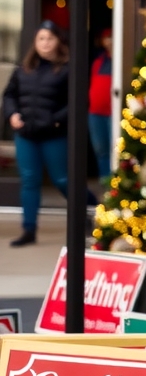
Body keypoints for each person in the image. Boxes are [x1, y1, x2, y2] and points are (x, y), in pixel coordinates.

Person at [2, 21, 72, 246]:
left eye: (50, 38)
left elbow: (75, 102)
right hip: (26, 135)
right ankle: (28, 231)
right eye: (41, 38)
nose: (45, 43)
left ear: (58, 42)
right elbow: (9, 95)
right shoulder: (23, 69)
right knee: (30, 181)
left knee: (62, 180)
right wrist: (12, 114)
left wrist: (56, 121)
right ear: (35, 42)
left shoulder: (67, 69)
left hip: (53, 135)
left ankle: (90, 212)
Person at [88, 28, 113, 182]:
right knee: (101, 150)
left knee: (115, 150)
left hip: (113, 113)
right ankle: (106, 184)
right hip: (95, 112)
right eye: (106, 38)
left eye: (111, 37)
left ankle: (116, 187)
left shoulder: (121, 61)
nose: (109, 40)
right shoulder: (98, 62)